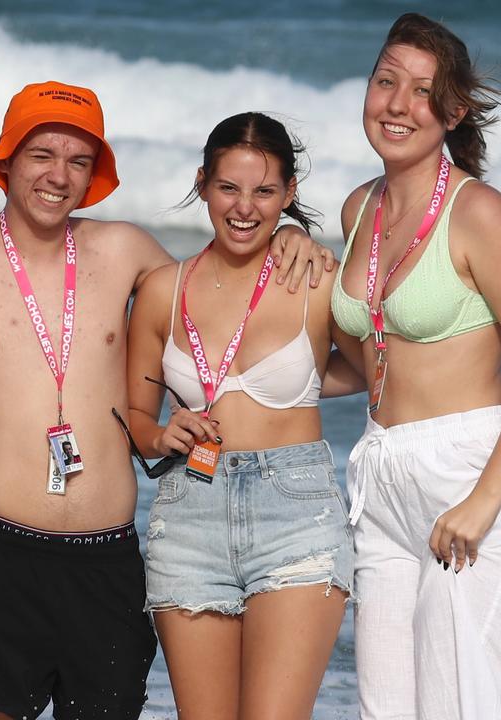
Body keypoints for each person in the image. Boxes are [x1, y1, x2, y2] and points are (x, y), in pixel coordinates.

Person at [0, 82, 336, 719]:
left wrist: (290, 237)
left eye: (79, 161)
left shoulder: (125, 250)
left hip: (105, 559)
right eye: (41, 155)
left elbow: (220, 290)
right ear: (7, 161)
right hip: (1, 553)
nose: (58, 175)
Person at [331, 14, 501, 719]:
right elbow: (369, 358)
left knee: (466, 706)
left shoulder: (479, 213)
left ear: (453, 111)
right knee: (385, 711)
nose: (396, 105)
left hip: (471, 481)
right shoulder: (357, 211)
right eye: (385, 81)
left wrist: (481, 503)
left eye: (422, 91)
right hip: (380, 478)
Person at [121, 111, 366, 718]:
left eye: (264, 192)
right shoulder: (161, 289)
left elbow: (374, 371)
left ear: (289, 194)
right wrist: (158, 433)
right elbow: (134, 413)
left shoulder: (314, 277)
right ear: (203, 182)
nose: (245, 208)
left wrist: (304, 382)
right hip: (187, 518)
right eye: (228, 187)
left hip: (297, 514)